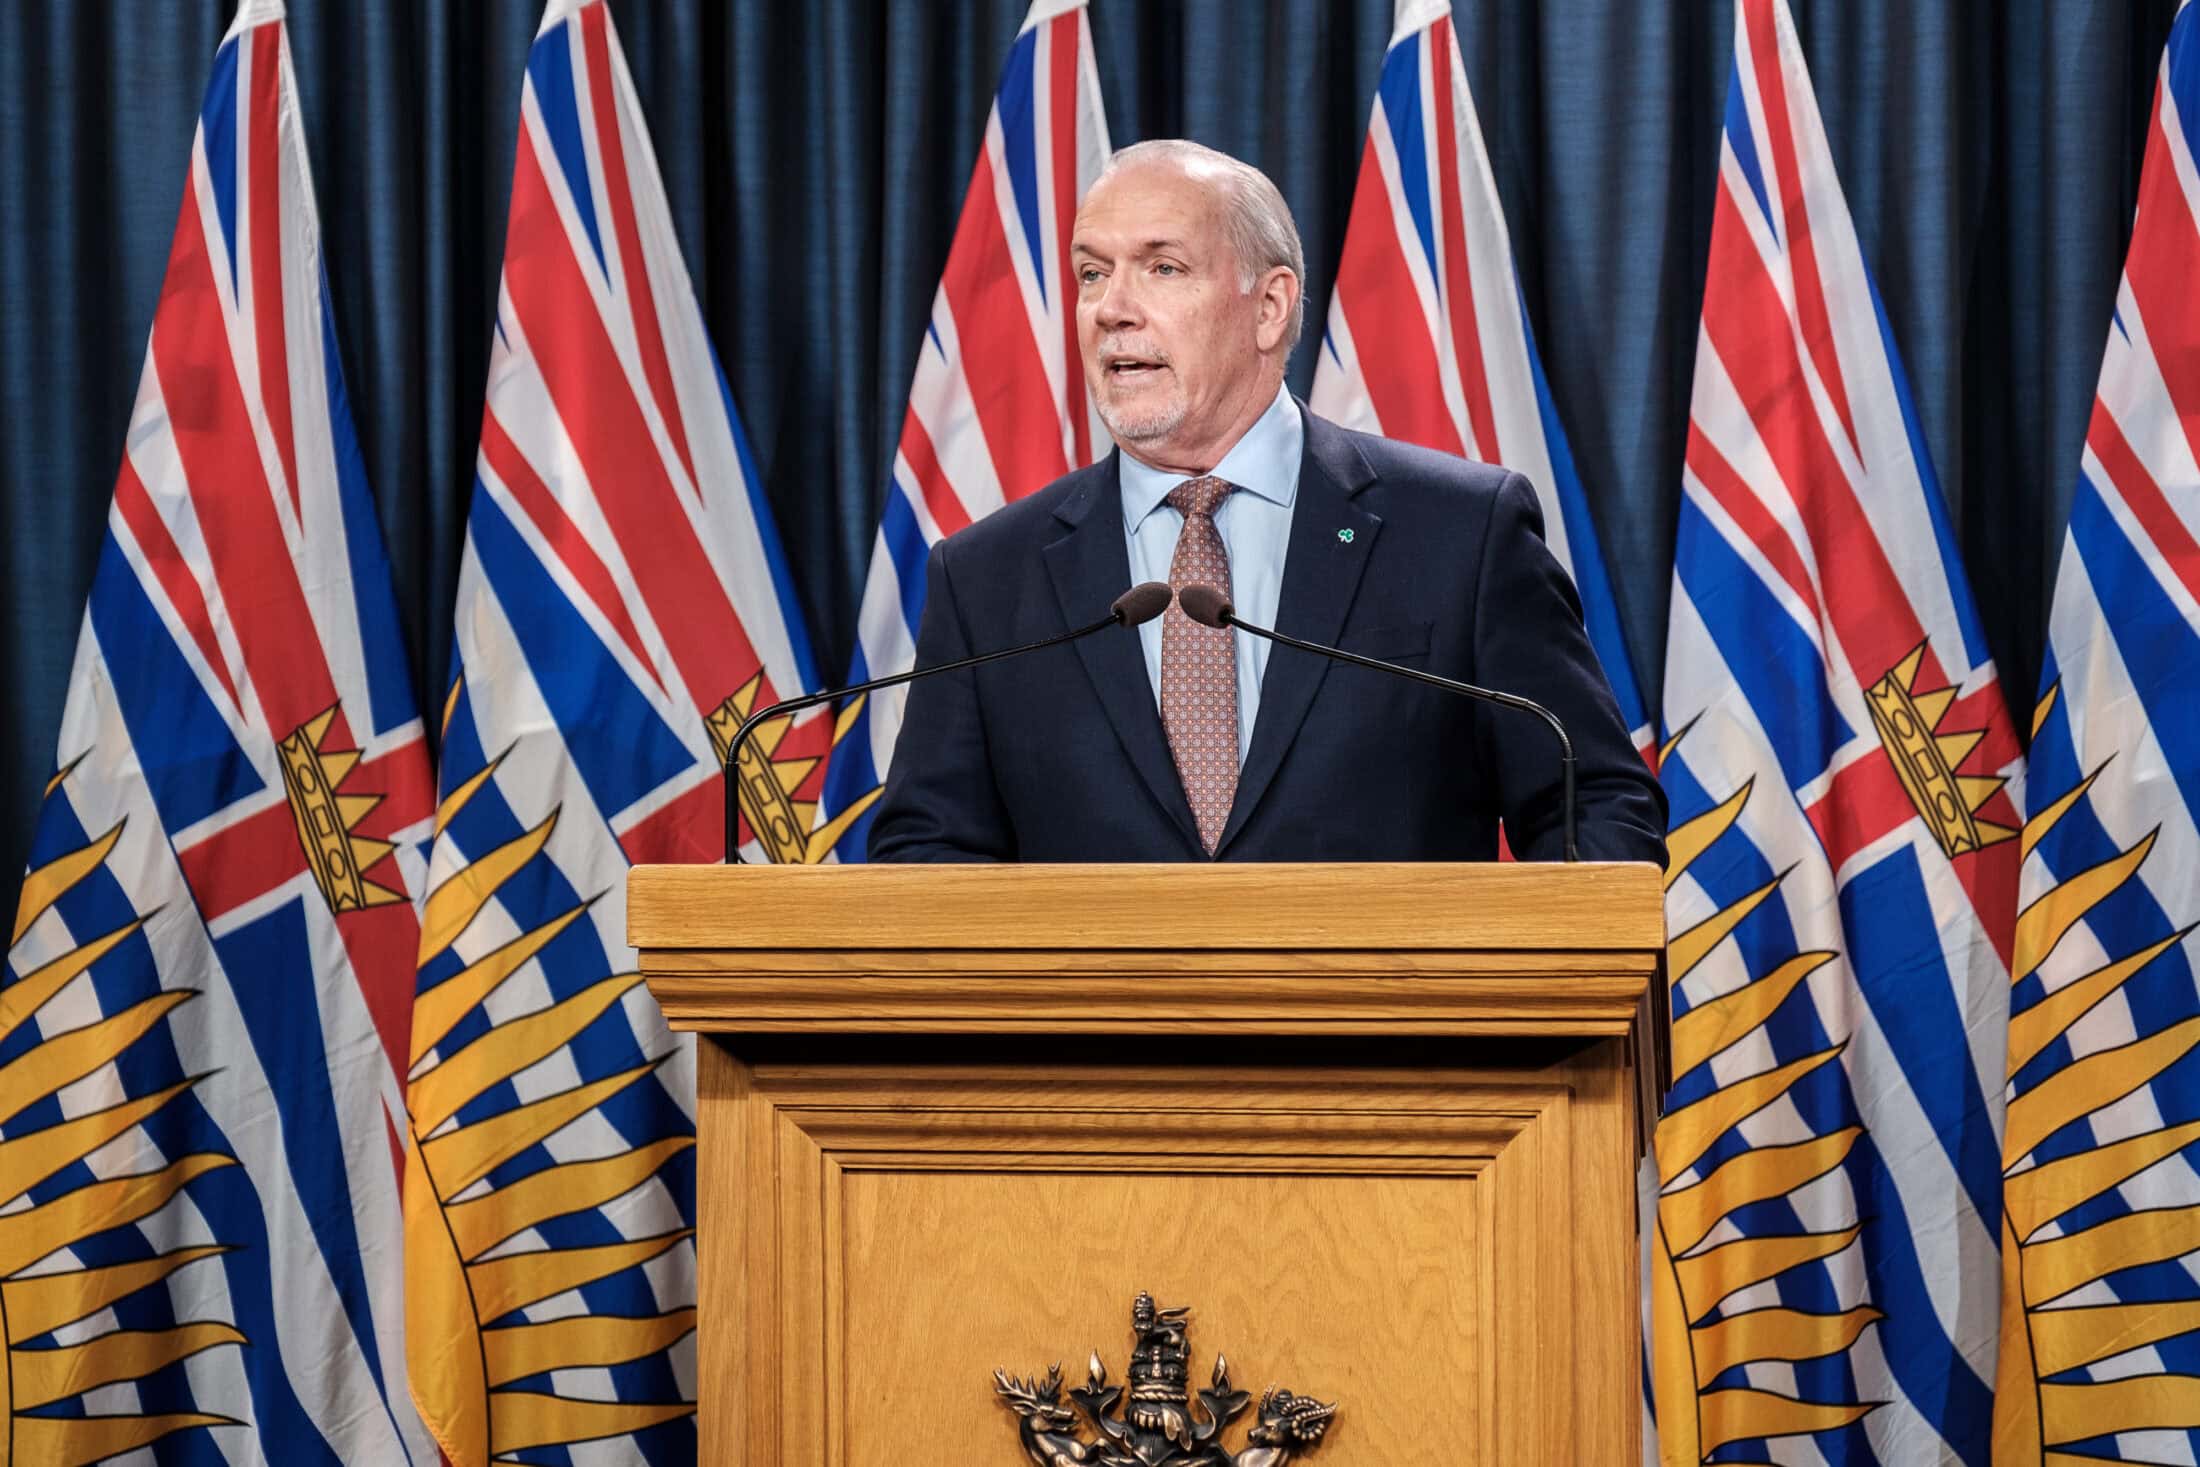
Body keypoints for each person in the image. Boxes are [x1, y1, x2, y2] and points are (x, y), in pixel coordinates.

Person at [868, 139, 1665, 865]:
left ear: (1270, 305)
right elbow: (927, 850)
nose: (1111, 308)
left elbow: (1593, 804)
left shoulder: (1461, 532)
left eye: (1162, 267)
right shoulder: (985, 578)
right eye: (1091, 272)